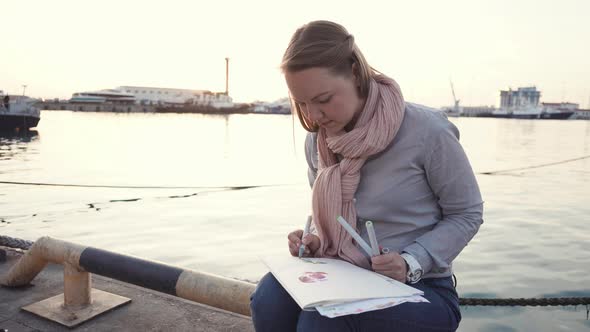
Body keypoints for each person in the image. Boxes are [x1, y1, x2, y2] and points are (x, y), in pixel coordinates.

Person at [250, 20, 483, 332]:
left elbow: (467, 213)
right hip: (342, 275)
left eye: (323, 100)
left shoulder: (428, 131)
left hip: (421, 289)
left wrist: (411, 262)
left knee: (322, 321)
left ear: (356, 74)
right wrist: (315, 240)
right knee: (267, 299)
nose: (313, 116)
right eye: (301, 103)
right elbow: (330, 218)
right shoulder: (319, 139)